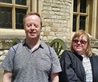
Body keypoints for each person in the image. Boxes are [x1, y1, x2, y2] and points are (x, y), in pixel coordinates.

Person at [1, 12, 61, 82]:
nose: (32, 28)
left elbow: (55, 78)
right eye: (29, 25)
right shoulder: (14, 51)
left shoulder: (50, 52)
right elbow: (7, 76)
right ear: (24, 27)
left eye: (36, 25)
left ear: (40, 28)